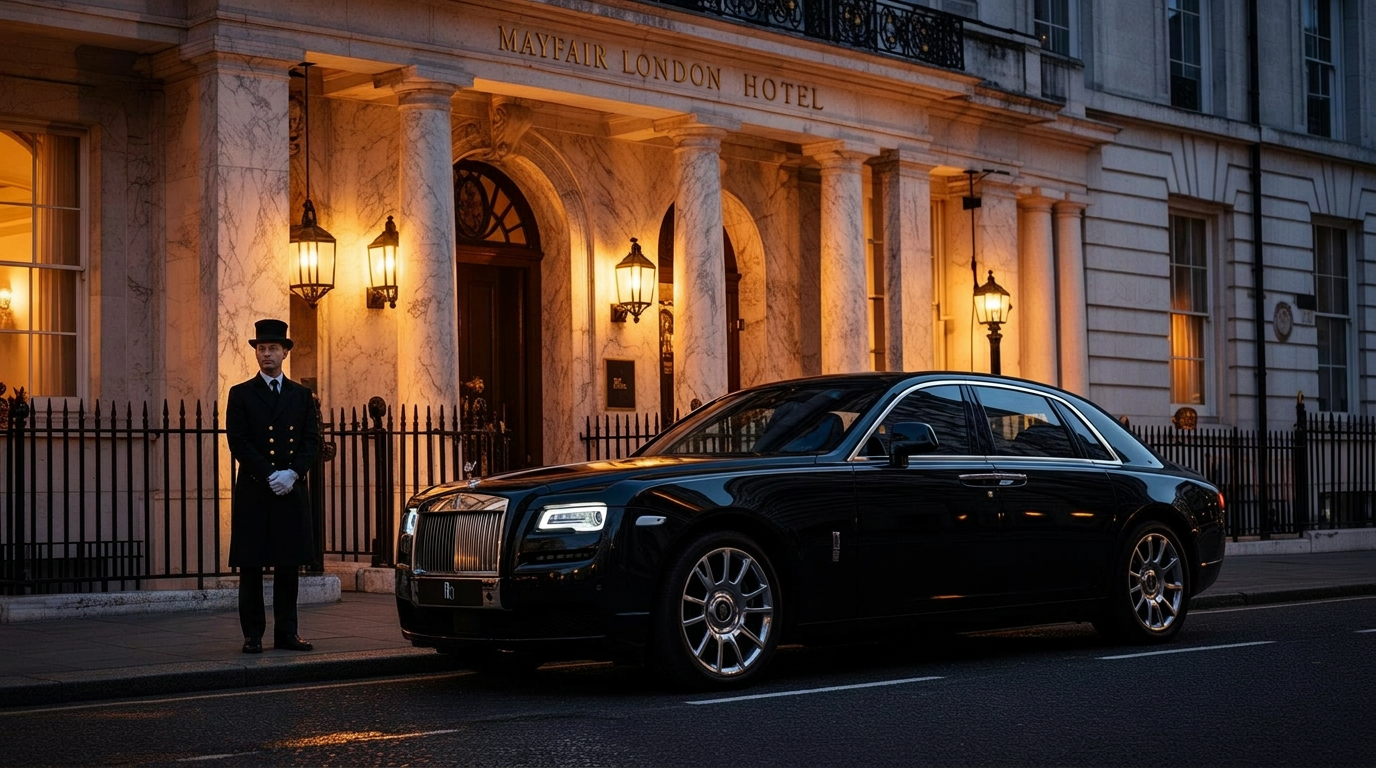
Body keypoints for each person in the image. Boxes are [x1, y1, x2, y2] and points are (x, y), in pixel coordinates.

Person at [227, 318, 320, 653]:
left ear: (284, 353)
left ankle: (287, 632)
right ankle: (253, 634)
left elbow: (312, 441)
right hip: (256, 488)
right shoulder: (240, 394)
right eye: (261, 348)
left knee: (287, 565)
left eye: (273, 348)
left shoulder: (301, 395)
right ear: (256, 353)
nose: (266, 354)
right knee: (251, 566)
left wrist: (292, 474)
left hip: (289, 489)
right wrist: (270, 474)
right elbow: (239, 442)